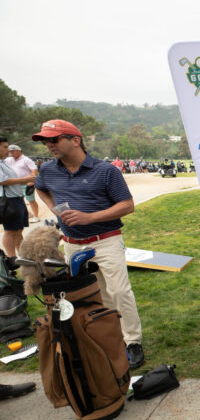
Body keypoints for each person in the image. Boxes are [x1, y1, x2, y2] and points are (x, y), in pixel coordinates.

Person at [31, 119, 146, 369]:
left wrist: (89, 217)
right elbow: (40, 189)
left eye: (54, 139)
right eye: (46, 141)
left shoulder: (106, 171)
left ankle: (132, 341)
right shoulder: (48, 170)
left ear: (75, 140)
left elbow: (127, 205)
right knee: (91, 294)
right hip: (72, 244)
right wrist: (54, 209)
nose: (49, 145)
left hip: (105, 240)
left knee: (118, 291)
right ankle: (106, 337)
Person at [0, 138, 35, 257]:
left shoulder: (3, 162)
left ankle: (23, 256)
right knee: (10, 231)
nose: (8, 150)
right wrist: (26, 179)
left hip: (17, 198)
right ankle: (12, 258)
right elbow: (3, 180)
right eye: (5, 147)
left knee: (19, 230)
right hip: (9, 200)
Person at [6, 145, 41, 223]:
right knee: (19, 200)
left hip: (26, 183)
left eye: (13, 151)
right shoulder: (9, 160)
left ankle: (36, 216)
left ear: (19, 151)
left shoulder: (26, 160)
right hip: (15, 183)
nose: (11, 153)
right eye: (10, 151)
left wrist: (31, 181)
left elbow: (34, 170)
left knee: (31, 200)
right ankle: (28, 213)